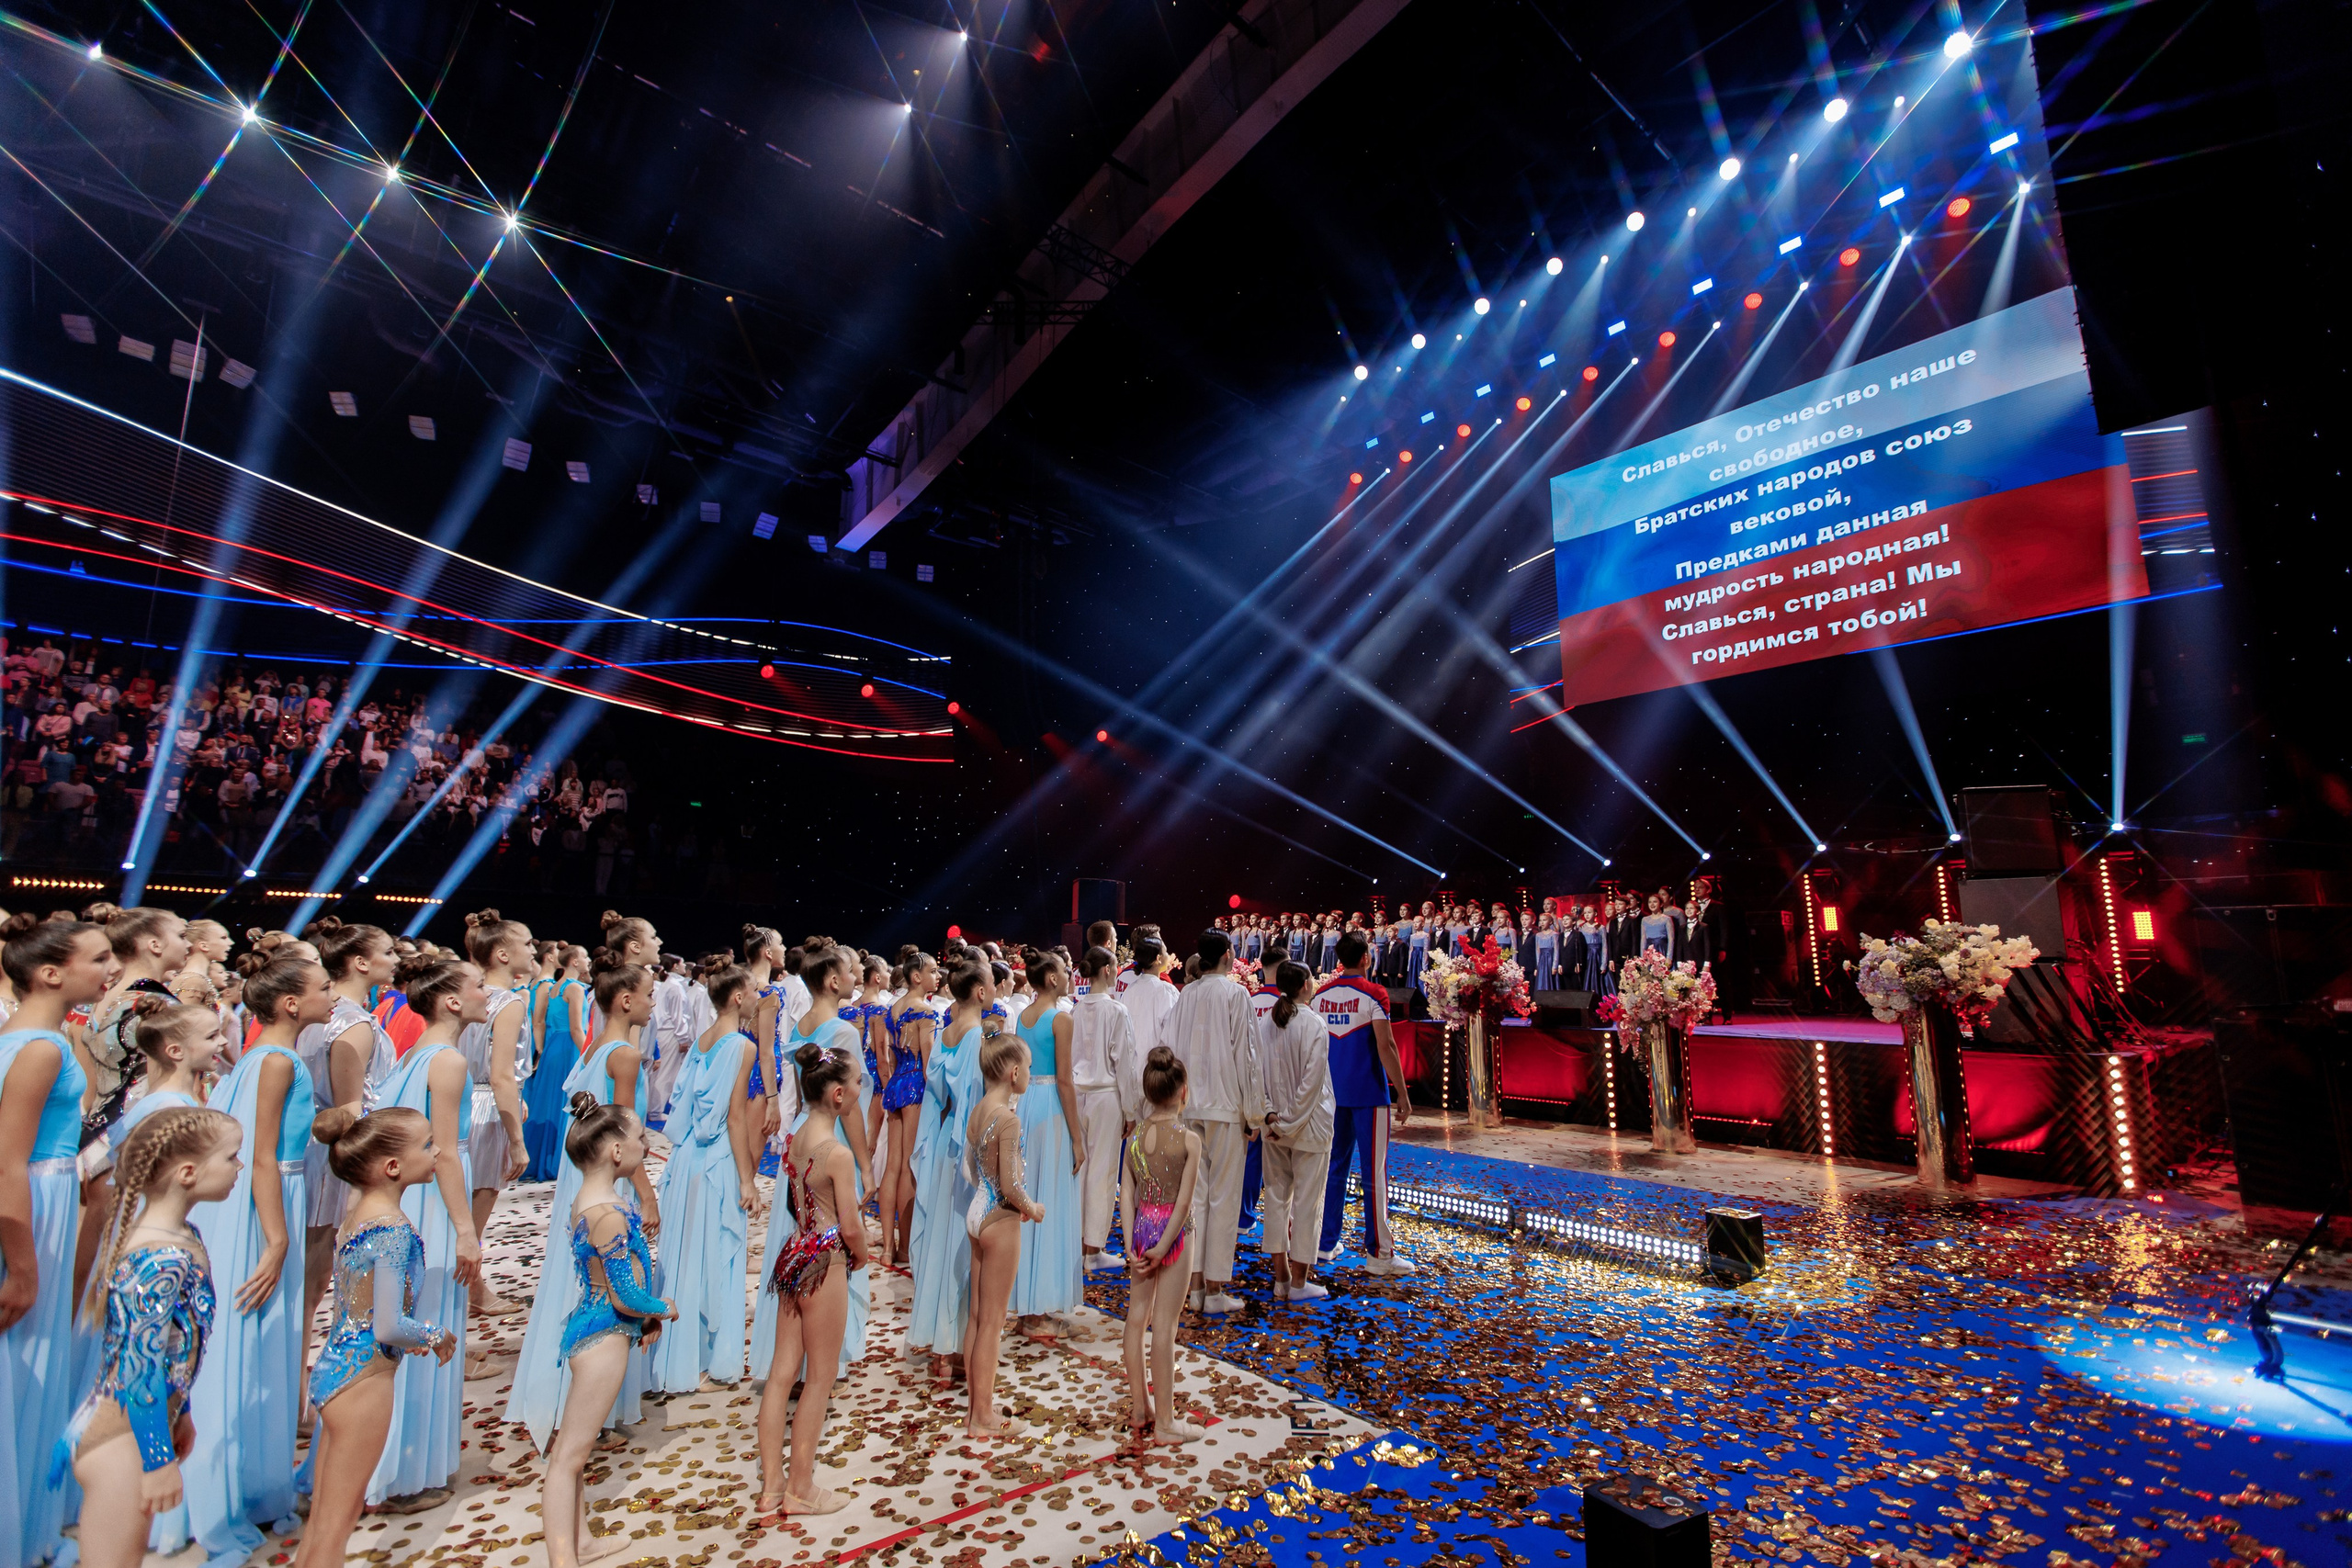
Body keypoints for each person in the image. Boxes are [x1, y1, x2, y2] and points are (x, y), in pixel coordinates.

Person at [183, 957, 325, 1566]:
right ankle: (236, 1486)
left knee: (260, 1339)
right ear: (291, 1003)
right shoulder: (276, 1059)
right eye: (320, 988)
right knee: (258, 1337)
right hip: (268, 1201)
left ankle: (253, 1480)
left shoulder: (258, 1056)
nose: (329, 995)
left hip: (258, 1198)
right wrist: (275, 1237)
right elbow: (264, 1155)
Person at [64, 1106, 243, 1568]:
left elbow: (172, 1354)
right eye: (231, 1158)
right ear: (188, 1172)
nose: (239, 1167)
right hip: (122, 1437)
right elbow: (138, 1367)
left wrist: (178, 1414)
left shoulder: (182, 1235)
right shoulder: (159, 1256)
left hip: (143, 1426)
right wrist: (157, 1458)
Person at [504, 963, 658, 1454]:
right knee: (610, 1283)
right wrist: (647, 1194)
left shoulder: (593, 1046)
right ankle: (596, 1409)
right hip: (610, 1181)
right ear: (627, 1002)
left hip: (580, 1181)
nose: (655, 1004)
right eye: (650, 996)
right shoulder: (626, 1055)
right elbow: (624, 1135)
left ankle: (572, 1400)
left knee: (576, 1280)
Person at [295, 1106, 457, 1568]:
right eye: (427, 1146)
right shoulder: (392, 1228)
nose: (438, 1151)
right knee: (337, 1525)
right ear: (392, 1167)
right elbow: (387, 1324)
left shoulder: (359, 1213)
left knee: (323, 1523)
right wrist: (436, 1333)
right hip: (366, 1378)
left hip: (333, 1370)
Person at [0, 912, 114, 1563]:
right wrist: (22, 1266)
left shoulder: (30, 1038)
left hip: (40, 1195)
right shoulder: (40, 1047)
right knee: (26, 1362)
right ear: (50, 972)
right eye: (97, 959)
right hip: (34, 1202)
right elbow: (9, 1160)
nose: (109, 970)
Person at [363, 955, 483, 1512]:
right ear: (452, 1001)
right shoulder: (450, 1061)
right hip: (433, 1205)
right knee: (427, 1326)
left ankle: (394, 1463)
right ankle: (402, 1472)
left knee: (403, 1327)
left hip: (406, 1198)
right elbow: (445, 1156)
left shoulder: (416, 1053)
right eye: (479, 987)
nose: (489, 995)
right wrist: (466, 1230)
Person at [544, 1095, 673, 1568]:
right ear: (617, 1151)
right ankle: (564, 1558)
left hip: (594, 1324)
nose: (646, 1143)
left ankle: (581, 1542)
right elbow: (624, 1294)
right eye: (640, 1137)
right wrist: (662, 1307)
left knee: (572, 1454)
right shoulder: (609, 1213)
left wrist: (645, 1318)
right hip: (603, 1335)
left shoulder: (592, 1199)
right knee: (569, 1457)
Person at [751, 1041, 866, 1518]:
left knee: (781, 1374)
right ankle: (801, 1486)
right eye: (858, 1082)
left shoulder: (797, 1140)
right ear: (838, 1095)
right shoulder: (836, 1154)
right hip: (825, 1260)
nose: (863, 1088)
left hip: (793, 1253)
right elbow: (852, 1225)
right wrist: (860, 1256)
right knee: (819, 1379)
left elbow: (798, 1207)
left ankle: (772, 1486)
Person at [752, 946, 868, 1383]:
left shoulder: (801, 1026)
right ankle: (819, 1362)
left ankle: (791, 1358)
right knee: (828, 1238)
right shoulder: (842, 1030)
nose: (857, 974)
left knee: (795, 1234)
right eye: (850, 969)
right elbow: (850, 1107)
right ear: (834, 982)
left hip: (799, 1138)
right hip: (828, 1138)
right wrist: (865, 1163)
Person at [649, 963, 758, 1393]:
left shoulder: (702, 1041)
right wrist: (747, 1179)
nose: (758, 996)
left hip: (687, 1159)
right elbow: (734, 1118)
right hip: (716, 1162)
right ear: (736, 997)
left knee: (686, 1257)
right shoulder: (741, 1045)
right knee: (716, 1259)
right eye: (753, 990)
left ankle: (682, 1356)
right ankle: (711, 1363)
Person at [1160, 930, 1261, 1316]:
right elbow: (1248, 1059)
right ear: (1229, 955)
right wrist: (1255, 1113)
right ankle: (1213, 1288)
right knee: (1222, 1198)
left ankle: (1196, 1283)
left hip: (1189, 1107)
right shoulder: (1236, 995)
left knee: (1195, 1198)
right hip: (1224, 1107)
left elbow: (1170, 1048)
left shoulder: (1187, 996)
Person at [905, 960, 989, 1383]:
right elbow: (976, 1107)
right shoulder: (976, 1039)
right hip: (964, 1152)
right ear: (978, 992)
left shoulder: (945, 1034)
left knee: (942, 1240)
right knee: (961, 1248)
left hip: (941, 1143)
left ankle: (941, 1347)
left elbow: (937, 1096)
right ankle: (952, 1350)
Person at [1317, 931, 1416, 1274]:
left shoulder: (1321, 994)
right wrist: (1402, 1092)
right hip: (1369, 1095)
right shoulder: (1374, 993)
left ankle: (1325, 1242)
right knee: (1374, 1175)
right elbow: (1386, 1045)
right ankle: (1379, 1254)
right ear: (1366, 959)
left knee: (1333, 1169)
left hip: (1331, 1096)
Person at [1120, 1045, 1204, 1444]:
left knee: (1136, 1320)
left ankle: (1140, 1407)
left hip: (1141, 1228)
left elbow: (1125, 1192)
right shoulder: (1189, 1140)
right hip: (1172, 1233)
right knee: (1164, 1328)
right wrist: (1165, 1244)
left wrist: (1130, 1243)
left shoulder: (1136, 1135)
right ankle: (1167, 1423)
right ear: (1183, 1092)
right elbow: (1184, 1201)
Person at [962, 1030, 1043, 1439]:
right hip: (1000, 1216)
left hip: (978, 1209)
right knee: (993, 1321)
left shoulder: (979, 1110)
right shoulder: (1007, 1118)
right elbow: (1010, 1184)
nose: (1030, 1074)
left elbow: (976, 1172)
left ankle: (975, 1407)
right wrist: (1033, 1209)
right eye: (1028, 1067)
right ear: (1014, 1073)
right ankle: (984, 1416)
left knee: (976, 1317)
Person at [459, 910, 534, 1327]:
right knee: (475, 1212)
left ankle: (472, 1288)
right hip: (487, 1107)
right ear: (503, 954)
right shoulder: (507, 1002)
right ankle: (470, 1291)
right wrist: (517, 1139)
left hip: (463, 1101)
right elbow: (503, 1074)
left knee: (462, 1206)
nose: (532, 950)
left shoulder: (471, 994)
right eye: (525, 944)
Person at [1006, 949, 1081, 1335]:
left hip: (1028, 1105)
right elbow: (1065, 1081)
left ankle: (1028, 1306)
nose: (1070, 974)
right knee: (1049, 1197)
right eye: (1065, 971)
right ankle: (1036, 1311)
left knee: (1030, 1195)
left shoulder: (1023, 1016)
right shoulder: (1061, 1018)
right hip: (1051, 1108)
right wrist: (1079, 1137)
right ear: (1052, 978)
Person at [1258, 961, 1335, 1303]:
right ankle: (1299, 1282)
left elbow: (1254, 1076)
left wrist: (1270, 1117)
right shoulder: (1313, 1024)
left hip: (1276, 1126)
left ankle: (1282, 1278)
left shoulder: (1266, 1023)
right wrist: (1285, 1121)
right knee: (1306, 1203)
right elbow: (1311, 1085)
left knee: (1276, 1199)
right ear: (1305, 984)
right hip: (1307, 1126)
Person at [1070, 946, 1135, 1276]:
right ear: (1108, 971)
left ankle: (1079, 1243)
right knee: (1102, 1172)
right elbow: (1124, 1061)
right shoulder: (1115, 1011)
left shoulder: (1075, 1009)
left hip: (1079, 1094)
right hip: (1106, 1095)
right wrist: (1131, 1107)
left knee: (1081, 1170)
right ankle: (1092, 1249)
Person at [879, 952, 937, 1266]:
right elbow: (928, 1066)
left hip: (896, 1084)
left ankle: (888, 1247)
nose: (938, 976)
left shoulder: (894, 1008)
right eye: (933, 971)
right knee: (908, 1168)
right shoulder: (924, 1010)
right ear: (917, 977)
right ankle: (905, 1247)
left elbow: (887, 1058)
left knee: (892, 1166)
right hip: (916, 1085)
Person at [523, 946, 591, 1180]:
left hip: (553, 1047)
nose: (588, 960)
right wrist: (590, 1057)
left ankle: (547, 1159)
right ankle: (562, 1162)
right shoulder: (574, 988)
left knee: (551, 1103)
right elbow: (576, 1029)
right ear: (573, 962)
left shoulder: (553, 988)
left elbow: (538, 1021)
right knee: (568, 1102)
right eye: (584, 956)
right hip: (569, 1048)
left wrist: (541, 1049)